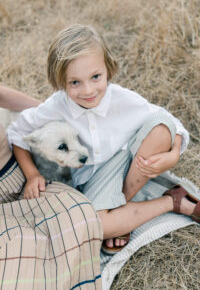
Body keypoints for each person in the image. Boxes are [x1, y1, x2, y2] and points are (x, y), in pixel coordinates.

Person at [7, 24, 200, 256]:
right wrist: (32, 175)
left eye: (95, 77)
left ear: (107, 70)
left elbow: (170, 121)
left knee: (161, 128)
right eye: (74, 82)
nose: (88, 90)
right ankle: (173, 201)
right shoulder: (56, 106)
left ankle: (121, 208)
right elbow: (18, 133)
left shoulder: (121, 98)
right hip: (94, 179)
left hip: (129, 163)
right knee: (98, 225)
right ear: (60, 82)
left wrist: (173, 153)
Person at [0, 85, 102, 289]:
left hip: (18, 176)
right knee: (20, 249)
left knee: (80, 212)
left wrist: (50, 117)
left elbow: (5, 96)